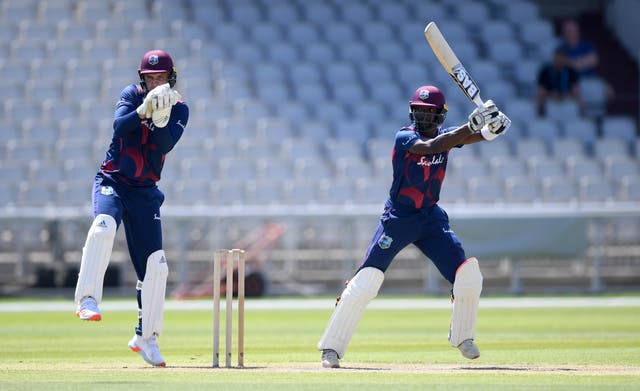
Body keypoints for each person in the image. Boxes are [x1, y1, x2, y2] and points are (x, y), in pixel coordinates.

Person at [317, 85, 511, 368]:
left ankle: (464, 337)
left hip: (430, 218)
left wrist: (494, 128)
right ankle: (331, 348)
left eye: (429, 112)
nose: (422, 117)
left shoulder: (448, 135)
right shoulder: (405, 137)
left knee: (467, 273)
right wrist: (473, 125)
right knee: (366, 280)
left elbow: (473, 136)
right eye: (418, 111)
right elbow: (434, 146)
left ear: (440, 115)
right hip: (399, 218)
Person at [74, 50, 189, 367]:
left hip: (145, 191)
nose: (155, 82)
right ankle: (87, 298)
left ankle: (146, 338)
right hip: (114, 180)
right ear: (142, 78)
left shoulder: (180, 109)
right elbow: (119, 127)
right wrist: (143, 111)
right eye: (150, 77)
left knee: (157, 266)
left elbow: (164, 145)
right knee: (103, 226)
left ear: (170, 78)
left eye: (160, 77)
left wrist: (160, 118)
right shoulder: (131, 95)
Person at [536, 48, 585, 117]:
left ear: (565, 58)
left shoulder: (571, 71)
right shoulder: (545, 71)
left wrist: (567, 95)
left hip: (567, 98)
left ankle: (582, 118)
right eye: (558, 57)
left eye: (562, 57)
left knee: (577, 102)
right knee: (540, 100)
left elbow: (576, 90)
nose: (560, 60)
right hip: (550, 98)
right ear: (554, 58)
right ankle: (540, 118)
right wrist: (550, 95)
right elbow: (541, 90)